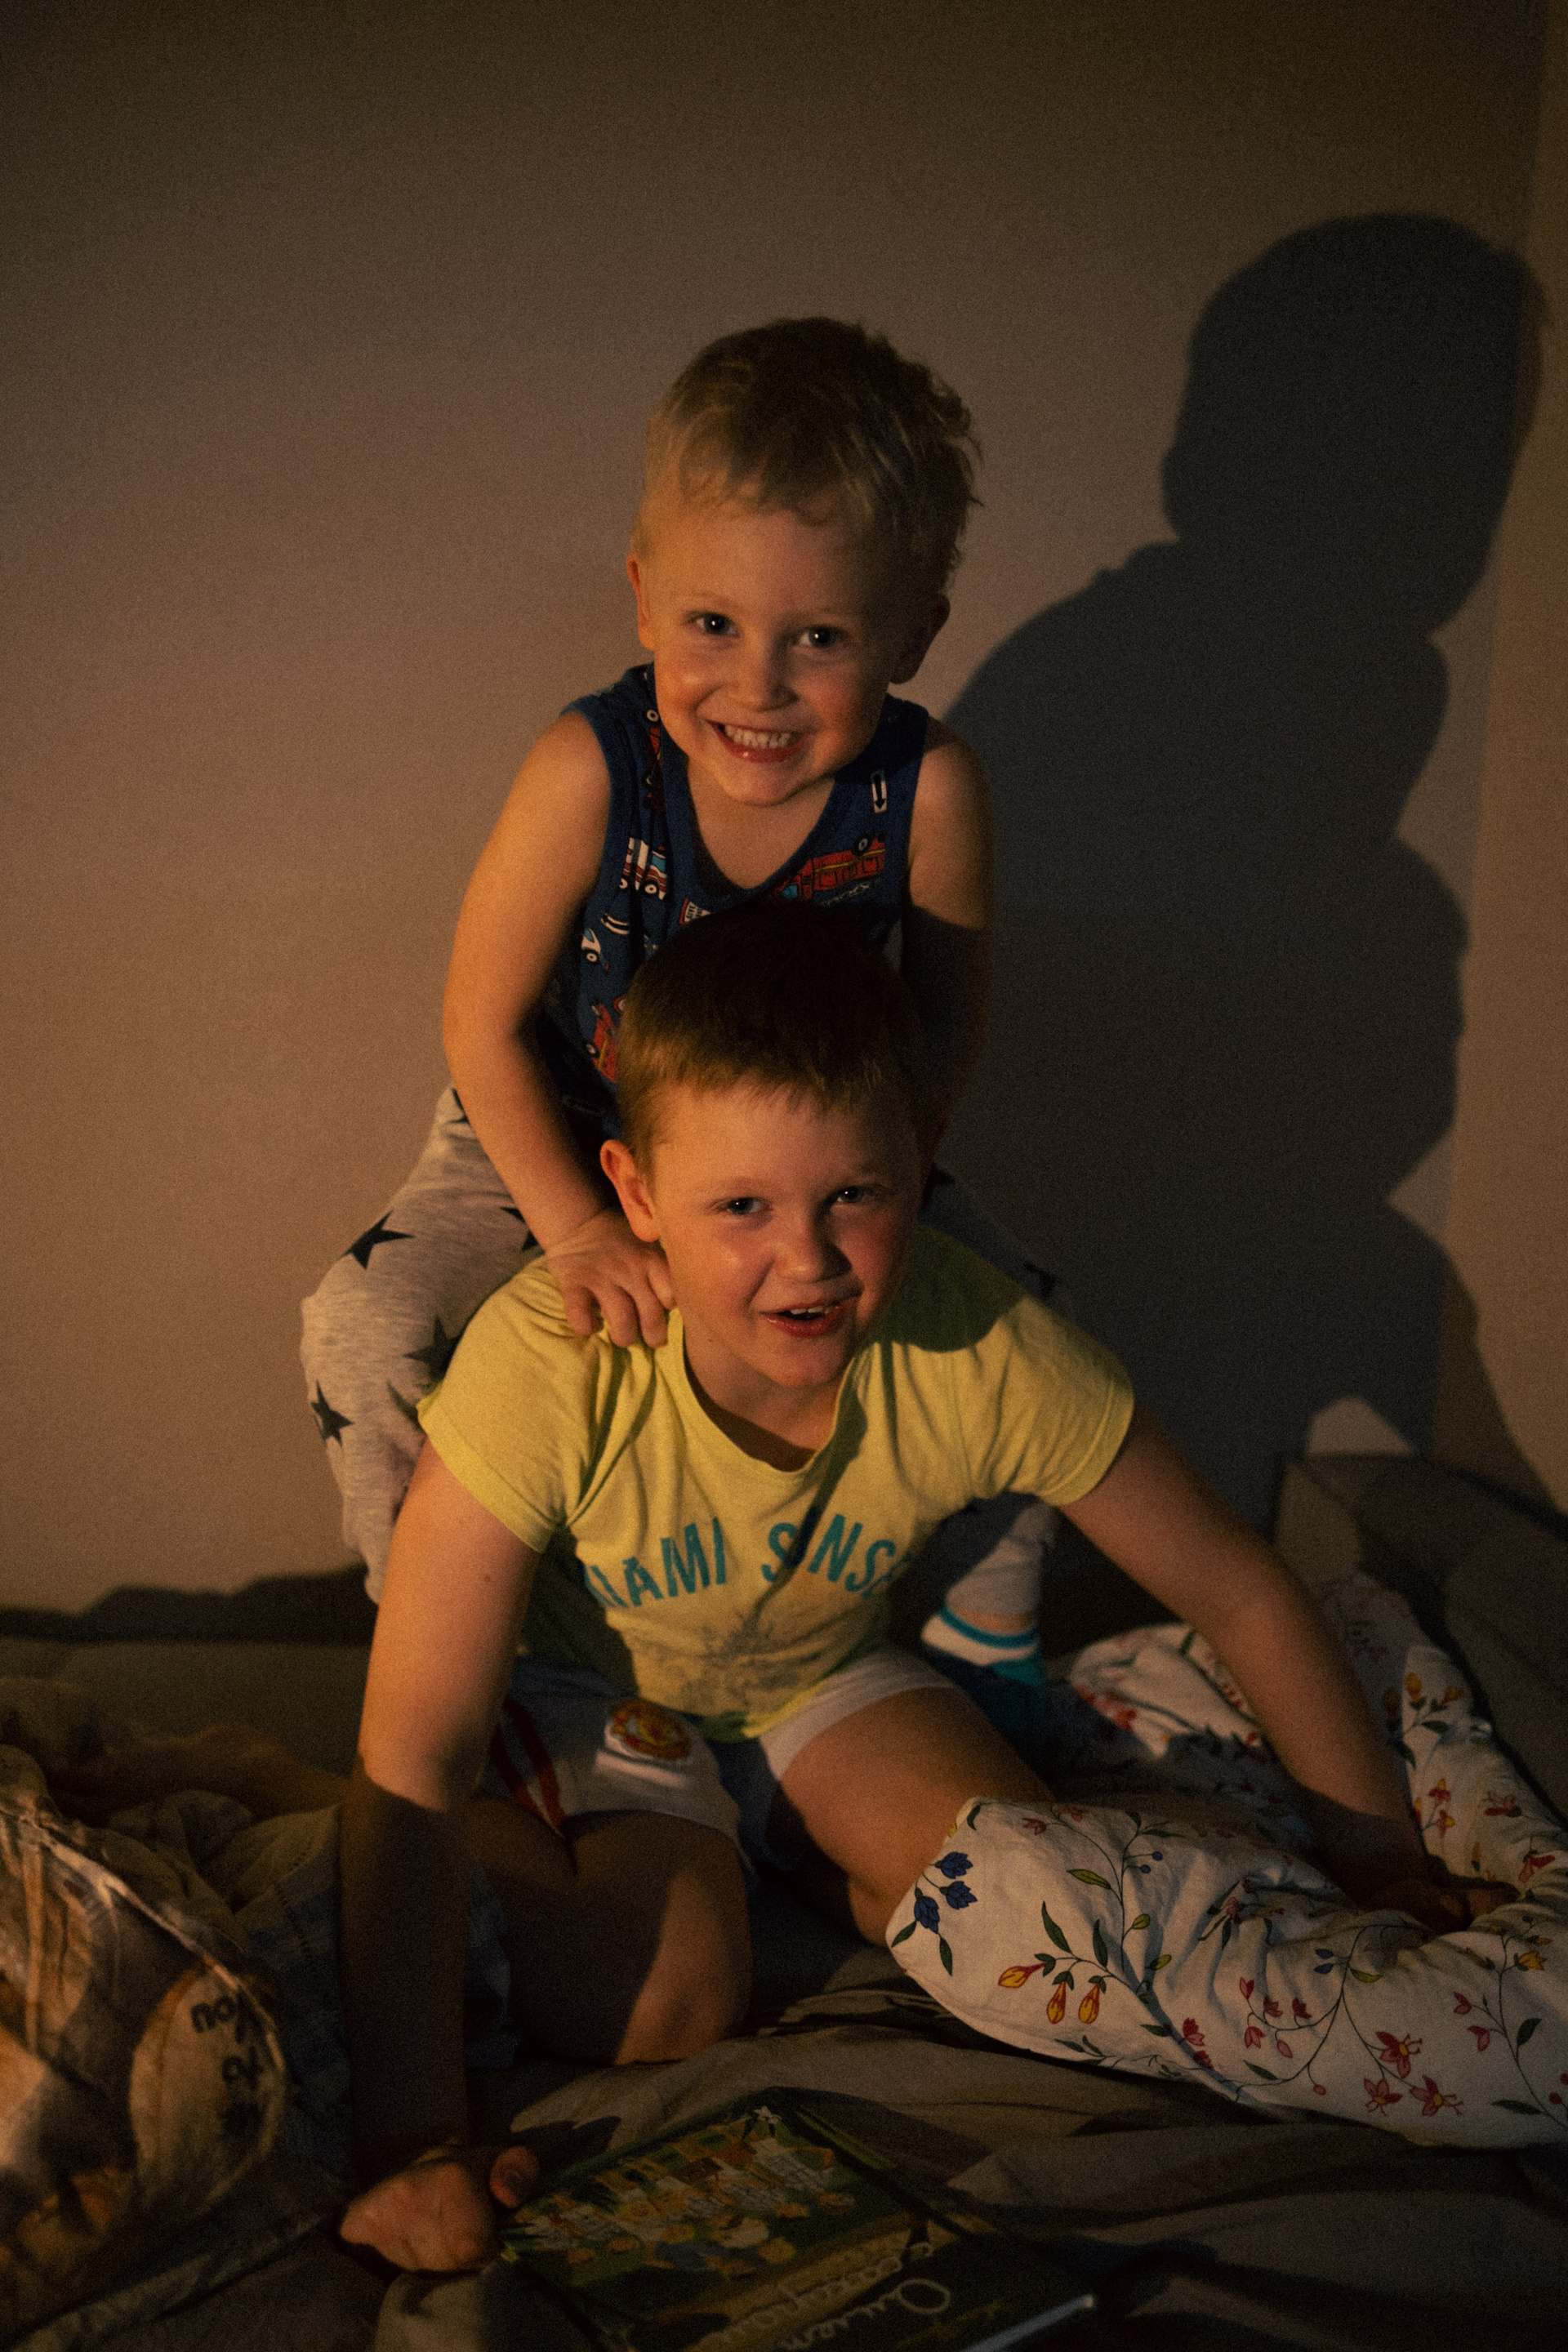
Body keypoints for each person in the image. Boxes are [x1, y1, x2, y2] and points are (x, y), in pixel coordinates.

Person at [59, 903, 1477, 2274]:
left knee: (1033, 1896)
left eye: (856, 1195)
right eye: (740, 1206)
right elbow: (418, 1755)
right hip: (597, 1690)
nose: (807, 1260)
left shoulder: (979, 1340)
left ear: (919, 1161)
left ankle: (783, 1845)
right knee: (671, 2001)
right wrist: (414, 2141)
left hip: (817, 1666)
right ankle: (274, 1778)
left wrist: (1382, 1872)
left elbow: (1240, 1589)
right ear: (635, 1197)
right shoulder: (554, 1364)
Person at [300, 316, 1056, 1751]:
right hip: (558, 1117)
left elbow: (947, 1013)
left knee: (1027, 1321)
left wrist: (893, 1174)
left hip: (804, 1157)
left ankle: (988, 1630)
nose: (758, 684)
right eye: (715, 626)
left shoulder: (931, 791)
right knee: (363, 1324)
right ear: (645, 599)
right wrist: (581, 1227)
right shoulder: (590, 766)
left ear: (912, 635)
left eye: (820, 638)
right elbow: (478, 1021)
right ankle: (435, 1635)